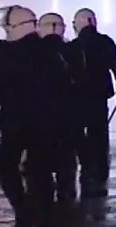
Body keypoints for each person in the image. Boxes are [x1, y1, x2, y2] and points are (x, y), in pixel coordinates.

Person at [0, 5, 70, 225]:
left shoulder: (1, 57)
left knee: (6, 166)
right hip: (46, 124)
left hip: (14, 124)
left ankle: (23, 209)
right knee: (41, 170)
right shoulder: (52, 54)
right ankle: (46, 212)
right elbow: (64, 90)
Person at [69, 8, 116, 197]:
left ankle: (86, 165)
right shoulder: (105, 42)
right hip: (99, 95)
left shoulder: (73, 47)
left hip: (78, 96)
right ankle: (100, 167)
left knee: (79, 132)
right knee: (100, 132)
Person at [38, 12, 84, 208]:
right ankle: (67, 197)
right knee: (67, 157)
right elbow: (81, 80)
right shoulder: (72, 51)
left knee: (41, 160)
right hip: (68, 113)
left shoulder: (32, 53)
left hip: (40, 115)